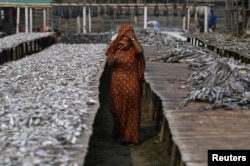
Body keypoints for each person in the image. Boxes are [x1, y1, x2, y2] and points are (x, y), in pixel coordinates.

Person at [106, 24, 145, 146]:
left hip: (132, 82)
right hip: (117, 82)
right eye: (125, 34)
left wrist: (132, 38)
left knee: (132, 108)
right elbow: (109, 64)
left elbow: (140, 51)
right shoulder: (115, 47)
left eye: (130, 33)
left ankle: (130, 138)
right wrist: (115, 59)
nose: (126, 39)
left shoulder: (134, 48)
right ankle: (119, 132)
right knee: (117, 108)